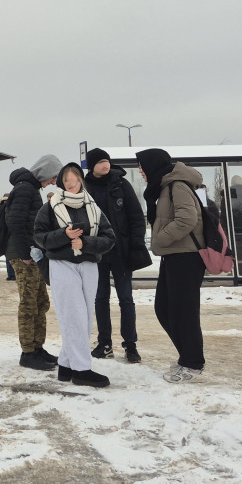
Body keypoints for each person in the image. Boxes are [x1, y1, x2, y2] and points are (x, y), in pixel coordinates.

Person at [34, 162, 116, 387]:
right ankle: (82, 370)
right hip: (62, 264)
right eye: (66, 180)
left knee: (85, 316)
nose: (71, 184)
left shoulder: (92, 206)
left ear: (81, 180)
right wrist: (64, 235)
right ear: (61, 183)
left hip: (88, 264)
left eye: (75, 179)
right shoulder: (50, 206)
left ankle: (66, 364)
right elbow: (39, 237)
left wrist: (85, 243)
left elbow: (109, 238)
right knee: (73, 316)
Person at [136, 148, 206, 383]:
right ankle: (186, 356)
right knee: (165, 309)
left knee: (184, 312)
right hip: (174, 256)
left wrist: (160, 239)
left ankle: (193, 362)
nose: (141, 172)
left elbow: (187, 219)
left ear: (153, 165)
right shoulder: (165, 186)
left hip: (186, 256)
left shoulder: (177, 185)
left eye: (142, 167)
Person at [83, 148, 146, 363]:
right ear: (92, 165)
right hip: (97, 252)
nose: (105, 165)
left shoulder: (121, 184)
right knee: (100, 298)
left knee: (126, 299)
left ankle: (131, 345)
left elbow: (136, 216)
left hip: (121, 251)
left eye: (107, 161)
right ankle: (105, 344)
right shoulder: (85, 187)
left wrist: (136, 244)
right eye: (100, 162)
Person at [5, 154, 63, 371]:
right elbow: (16, 222)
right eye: (53, 177)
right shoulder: (24, 189)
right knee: (29, 303)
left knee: (41, 302)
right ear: (44, 172)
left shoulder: (30, 188)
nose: (53, 182)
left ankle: (38, 348)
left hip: (32, 254)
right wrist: (25, 254)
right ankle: (28, 352)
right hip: (24, 256)